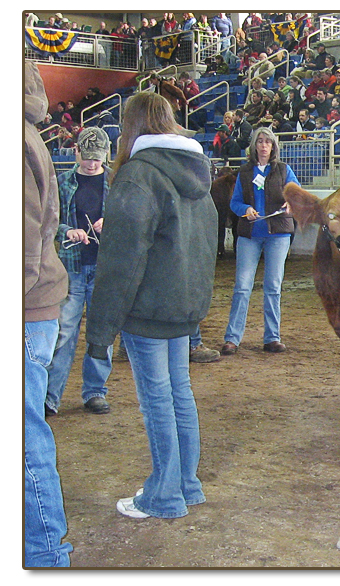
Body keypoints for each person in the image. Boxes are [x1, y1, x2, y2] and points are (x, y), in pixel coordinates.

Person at [84, 91, 216, 519]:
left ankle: (164, 496)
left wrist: (100, 332)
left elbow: (120, 262)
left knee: (158, 399)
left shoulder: (138, 176)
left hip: (147, 310)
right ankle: (186, 485)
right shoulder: (196, 173)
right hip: (182, 308)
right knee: (179, 393)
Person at [24, 61, 74, 567]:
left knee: (22, 434)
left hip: (25, 307)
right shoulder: (28, 137)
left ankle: (43, 551)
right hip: (35, 304)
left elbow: (20, 245)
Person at [44, 127, 113, 417]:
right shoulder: (63, 182)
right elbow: (50, 221)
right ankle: (50, 396)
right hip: (71, 268)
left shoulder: (115, 183)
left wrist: (110, 222)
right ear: (76, 152)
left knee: (101, 334)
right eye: (87, 157)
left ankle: (95, 391)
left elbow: (130, 222)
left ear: (105, 155)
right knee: (63, 334)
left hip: (104, 269)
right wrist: (67, 231)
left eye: (96, 158)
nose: (92, 163)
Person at [221, 127, 300, 355]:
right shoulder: (245, 172)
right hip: (250, 235)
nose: (264, 145)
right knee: (242, 287)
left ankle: (272, 337)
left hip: (278, 235)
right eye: (260, 141)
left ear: (273, 146)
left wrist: (291, 203)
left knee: (273, 287)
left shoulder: (284, 170)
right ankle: (232, 338)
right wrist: (245, 209)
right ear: (254, 145)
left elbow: (296, 194)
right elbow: (235, 202)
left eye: (268, 142)